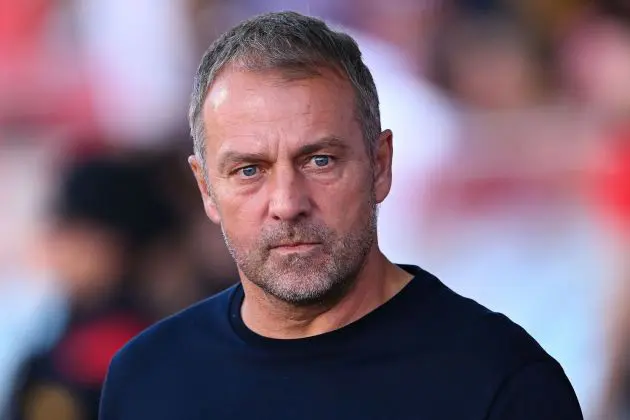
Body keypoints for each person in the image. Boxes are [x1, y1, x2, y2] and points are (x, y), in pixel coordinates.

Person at [99, 11, 583, 419]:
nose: (287, 203)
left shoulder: (502, 382)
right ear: (206, 188)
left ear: (380, 165)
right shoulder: (147, 378)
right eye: (249, 170)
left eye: (319, 161)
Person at [8, 154, 182, 420]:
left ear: (109, 246)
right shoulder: (169, 339)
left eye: (69, 231)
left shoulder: (101, 355)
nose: (55, 245)